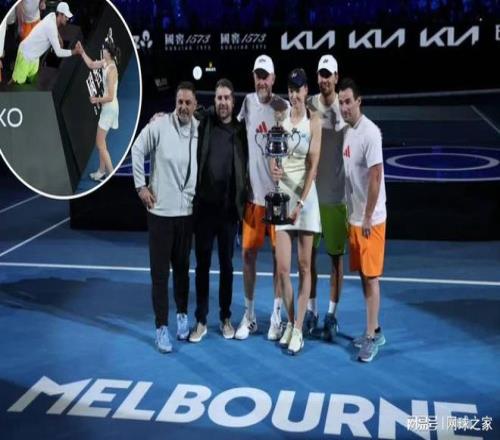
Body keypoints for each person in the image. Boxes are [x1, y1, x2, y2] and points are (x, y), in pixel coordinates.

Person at [131, 81, 199, 353]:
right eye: (179, 102)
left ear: (195, 105)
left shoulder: (199, 129)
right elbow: (137, 150)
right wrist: (140, 186)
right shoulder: (159, 126)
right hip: (160, 214)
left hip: (186, 214)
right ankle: (161, 327)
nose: (183, 107)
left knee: (182, 271)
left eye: (188, 103)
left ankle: (182, 316)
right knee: (160, 274)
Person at [188, 78, 248, 343]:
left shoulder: (240, 131)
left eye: (226, 98)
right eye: (219, 98)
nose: (223, 102)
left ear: (233, 102)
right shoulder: (205, 122)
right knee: (201, 266)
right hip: (203, 209)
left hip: (228, 212)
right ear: (214, 101)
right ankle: (201, 320)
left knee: (227, 266)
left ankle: (225, 318)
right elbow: (187, 111)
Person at [235, 54, 287, 341]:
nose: (261, 81)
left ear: (273, 79)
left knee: (280, 260)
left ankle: (276, 317)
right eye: (258, 76)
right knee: (247, 256)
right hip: (253, 198)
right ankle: (250, 315)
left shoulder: (284, 107)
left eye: (266, 76)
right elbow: (231, 125)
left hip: (278, 200)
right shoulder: (247, 103)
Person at [270, 68, 322, 355]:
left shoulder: (314, 122)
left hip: (305, 201)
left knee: (304, 267)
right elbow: (273, 157)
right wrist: (274, 169)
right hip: (283, 200)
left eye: (298, 89)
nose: (294, 94)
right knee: (282, 269)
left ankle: (299, 329)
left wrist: (300, 203)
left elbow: (313, 166)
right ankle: (291, 322)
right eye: (290, 89)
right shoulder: (281, 118)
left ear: (306, 91)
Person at [338, 78, 387, 362]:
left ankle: (370, 337)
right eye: (341, 103)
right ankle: (374, 329)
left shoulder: (370, 133)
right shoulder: (348, 132)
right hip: (355, 218)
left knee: (371, 277)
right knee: (363, 276)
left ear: (359, 101)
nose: (344, 107)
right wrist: (351, 214)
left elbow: (376, 177)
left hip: (372, 219)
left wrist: (368, 216)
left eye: (348, 101)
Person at [304, 55, 348, 342]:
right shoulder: (310, 106)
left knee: (335, 261)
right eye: (321, 75)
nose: (324, 80)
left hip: (336, 200)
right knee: (308, 259)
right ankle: (312, 310)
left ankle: (332, 315)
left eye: (328, 75)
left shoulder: (344, 109)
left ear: (336, 77)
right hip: (312, 199)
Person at [11, 2, 82, 85]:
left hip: (35, 58)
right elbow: (58, 53)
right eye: (66, 16)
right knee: (16, 85)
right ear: (60, 14)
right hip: (25, 54)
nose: (67, 19)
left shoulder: (52, 15)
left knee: (30, 83)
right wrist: (74, 51)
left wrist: (59, 38)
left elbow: (54, 28)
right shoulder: (51, 27)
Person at [80, 40, 120, 181]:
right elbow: (91, 64)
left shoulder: (112, 71)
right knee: (102, 142)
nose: (102, 51)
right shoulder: (105, 63)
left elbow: (110, 97)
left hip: (109, 109)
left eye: (104, 50)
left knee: (100, 144)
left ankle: (111, 175)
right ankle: (101, 171)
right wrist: (82, 52)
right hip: (108, 108)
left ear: (109, 53)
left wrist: (96, 99)